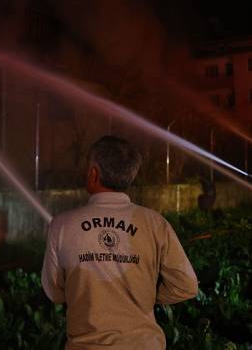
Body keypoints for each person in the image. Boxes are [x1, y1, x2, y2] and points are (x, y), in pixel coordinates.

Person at [41, 136, 198, 350]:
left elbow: (54, 292)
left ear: (93, 173)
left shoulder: (61, 225)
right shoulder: (155, 223)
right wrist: (146, 296)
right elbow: (186, 286)